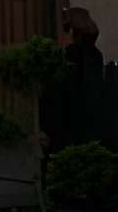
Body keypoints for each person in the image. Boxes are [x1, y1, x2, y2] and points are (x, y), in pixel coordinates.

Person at [40, 8, 107, 150]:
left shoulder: (70, 56)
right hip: (93, 127)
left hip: (70, 131)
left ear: (71, 31)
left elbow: (61, 94)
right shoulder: (96, 54)